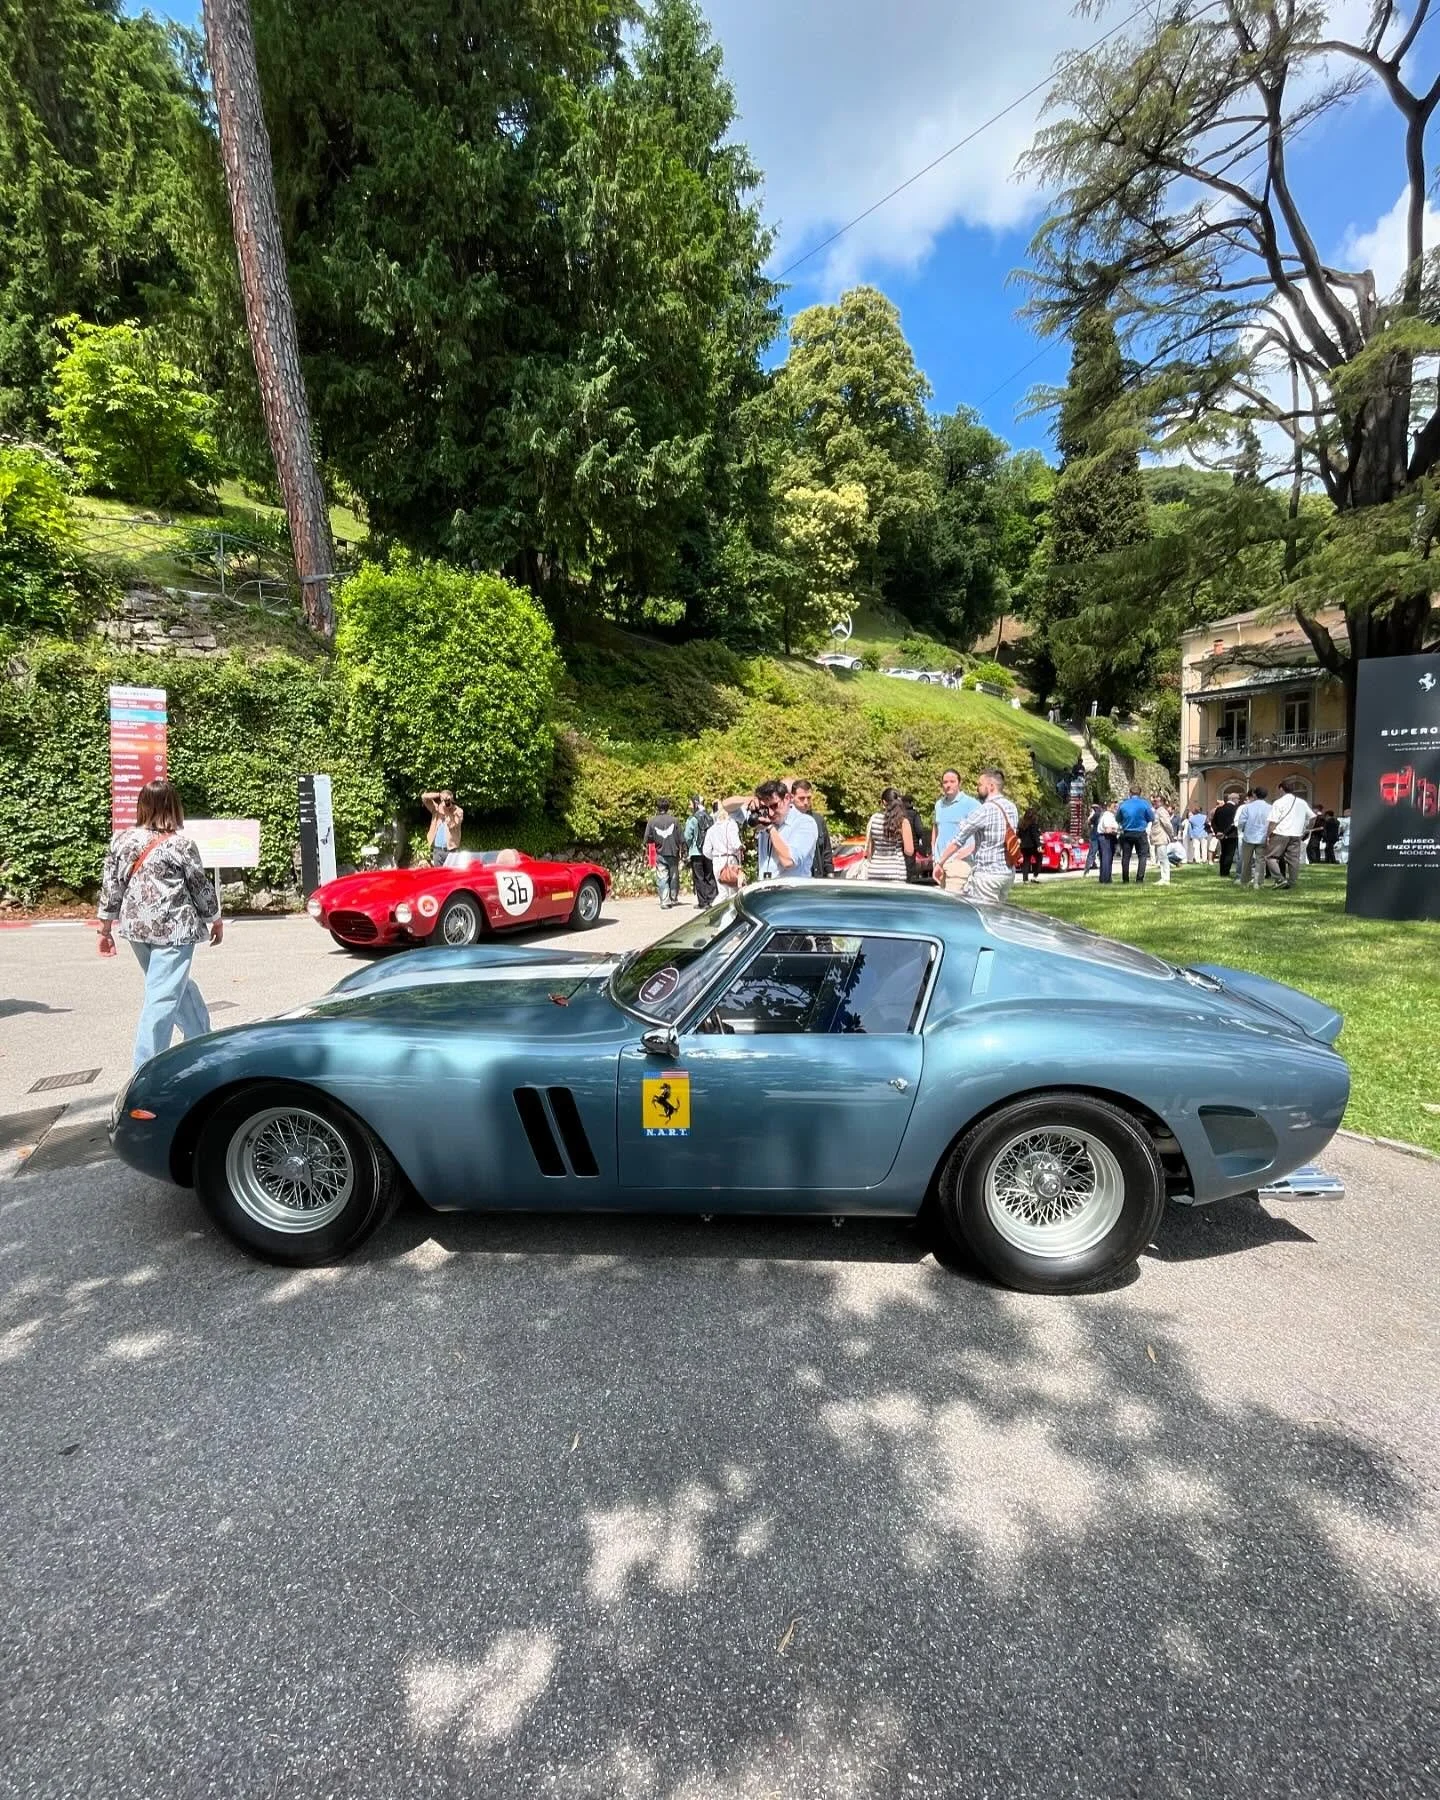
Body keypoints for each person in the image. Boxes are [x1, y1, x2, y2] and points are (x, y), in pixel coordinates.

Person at [96, 778, 222, 1070]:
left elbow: (111, 887)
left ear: (142, 806)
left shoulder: (121, 840)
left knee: (175, 987)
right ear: (174, 807)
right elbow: (199, 886)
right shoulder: (181, 845)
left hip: (137, 929)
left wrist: (104, 928)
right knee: (162, 997)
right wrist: (215, 919)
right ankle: (145, 1070)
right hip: (174, 929)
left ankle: (202, 1042)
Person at [947, 767, 1021, 905]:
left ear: (991, 786)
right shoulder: (1012, 807)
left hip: (988, 874)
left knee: (984, 916)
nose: (977, 788)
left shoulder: (985, 810)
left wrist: (940, 862)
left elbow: (959, 838)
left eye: (980, 785)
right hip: (1007, 873)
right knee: (999, 915)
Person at [933, 769, 980, 893]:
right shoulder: (939, 805)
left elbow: (982, 832)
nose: (948, 785)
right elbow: (936, 830)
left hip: (959, 862)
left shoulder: (971, 804)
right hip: (940, 863)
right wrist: (935, 856)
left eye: (952, 781)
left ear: (959, 783)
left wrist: (970, 849)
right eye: (945, 782)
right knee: (943, 904)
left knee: (953, 905)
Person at [1265, 780, 1316, 890]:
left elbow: (1273, 821)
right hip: (1296, 834)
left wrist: (1267, 834)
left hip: (1280, 833)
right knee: (1293, 859)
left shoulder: (1279, 802)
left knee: (1270, 857)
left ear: (1281, 789)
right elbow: (1313, 817)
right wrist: (1307, 828)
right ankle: (1292, 882)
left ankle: (1279, 879)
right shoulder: (1301, 802)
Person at [863, 787, 913, 882]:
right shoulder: (902, 822)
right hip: (896, 871)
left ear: (884, 802)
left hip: (875, 870)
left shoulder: (874, 819)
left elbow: (869, 851)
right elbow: (909, 851)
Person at [643, 798, 683, 907]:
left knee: (662, 877)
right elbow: (681, 838)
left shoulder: (652, 821)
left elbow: (647, 839)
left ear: (657, 807)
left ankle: (665, 901)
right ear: (668, 808)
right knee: (674, 876)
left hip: (660, 852)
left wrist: (654, 841)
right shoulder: (675, 821)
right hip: (673, 852)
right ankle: (673, 898)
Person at [790, 781, 835, 877]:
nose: (806, 802)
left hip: (817, 877)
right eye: (801, 798)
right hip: (796, 877)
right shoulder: (787, 821)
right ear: (792, 797)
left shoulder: (818, 820)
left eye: (809, 798)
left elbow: (826, 852)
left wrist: (830, 874)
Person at [1114, 785, 1155, 885]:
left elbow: (1118, 818)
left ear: (1130, 793)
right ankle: (1139, 879)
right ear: (1140, 793)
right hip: (1140, 832)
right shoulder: (1144, 804)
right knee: (1142, 856)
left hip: (1127, 832)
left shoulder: (1123, 804)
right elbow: (1151, 817)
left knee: (1126, 856)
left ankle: (1125, 879)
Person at [1235, 785, 1272, 889]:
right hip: (1262, 837)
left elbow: (1241, 822)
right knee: (1260, 860)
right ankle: (1258, 882)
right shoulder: (1270, 807)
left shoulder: (1248, 807)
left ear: (1255, 794)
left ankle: (1245, 882)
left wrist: (1243, 830)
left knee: (1246, 860)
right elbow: (1271, 822)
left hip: (1248, 836)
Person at [702, 803, 744, 892]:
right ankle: (715, 906)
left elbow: (706, 850)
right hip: (730, 859)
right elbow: (735, 843)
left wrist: (714, 857)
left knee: (722, 891)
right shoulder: (731, 825)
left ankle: (716, 905)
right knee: (733, 891)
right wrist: (741, 847)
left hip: (717, 861)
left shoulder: (711, 830)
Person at [684, 795, 716, 908]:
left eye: (690, 803)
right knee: (709, 876)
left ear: (695, 804)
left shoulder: (692, 819)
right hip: (709, 852)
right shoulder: (710, 817)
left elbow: (687, 836)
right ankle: (712, 900)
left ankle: (702, 902)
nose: (689, 805)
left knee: (699, 878)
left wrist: (690, 846)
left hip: (696, 852)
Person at [421, 789, 463, 866]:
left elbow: (453, 825)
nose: (445, 802)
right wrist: (439, 794)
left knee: (451, 875)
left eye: (447, 800)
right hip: (437, 850)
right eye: (443, 800)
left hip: (451, 851)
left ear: (452, 800)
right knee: (438, 875)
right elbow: (424, 797)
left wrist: (447, 811)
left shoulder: (458, 811)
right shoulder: (436, 809)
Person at [1211, 790, 1241, 878]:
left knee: (1223, 853)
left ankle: (1222, 871)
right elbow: (1234, 823)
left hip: (1221, 835)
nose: (1239, 801)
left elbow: (1213, 822)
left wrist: (1218, 832)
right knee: (1229, 854)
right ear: (1233, 799)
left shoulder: (1219, 809)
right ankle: (1226, 872)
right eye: (1238, 799)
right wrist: (1225, 832)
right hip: (1232, 834)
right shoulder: (1236, 809)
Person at [1147, 805, 1173, 886]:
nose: (1153, 802)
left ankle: (1165, 878)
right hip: (1157, 837)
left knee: (1163, 858)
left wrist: (1171, 834)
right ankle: (1164, 877)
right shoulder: (1156, 810)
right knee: (1161, 858)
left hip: (1161, 836)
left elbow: (1167, 824)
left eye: (1155, 801)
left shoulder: (1161, 811)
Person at [1017, 807, 1043, 883]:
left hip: (1024, 846)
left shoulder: (1022, 823)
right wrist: (1039, 845)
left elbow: (1019, 834)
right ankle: (1035, 876)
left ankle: (1025, 879)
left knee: (1026, 861)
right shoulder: (1034, 823)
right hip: (1033, 845)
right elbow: (1035, 835)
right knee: (1039, 858)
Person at [1095, 802, 1120, 884]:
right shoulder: (1108, 816)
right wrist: (1117, 831)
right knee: (1106, 858)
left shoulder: (1110, 816)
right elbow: (1108, 830)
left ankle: (1105, 878)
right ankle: (1106, 879)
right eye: (1114, 807)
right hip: (1106, 838)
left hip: (1106, 838)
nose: (1116, 808)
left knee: (1106, 858)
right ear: (1109, 808)